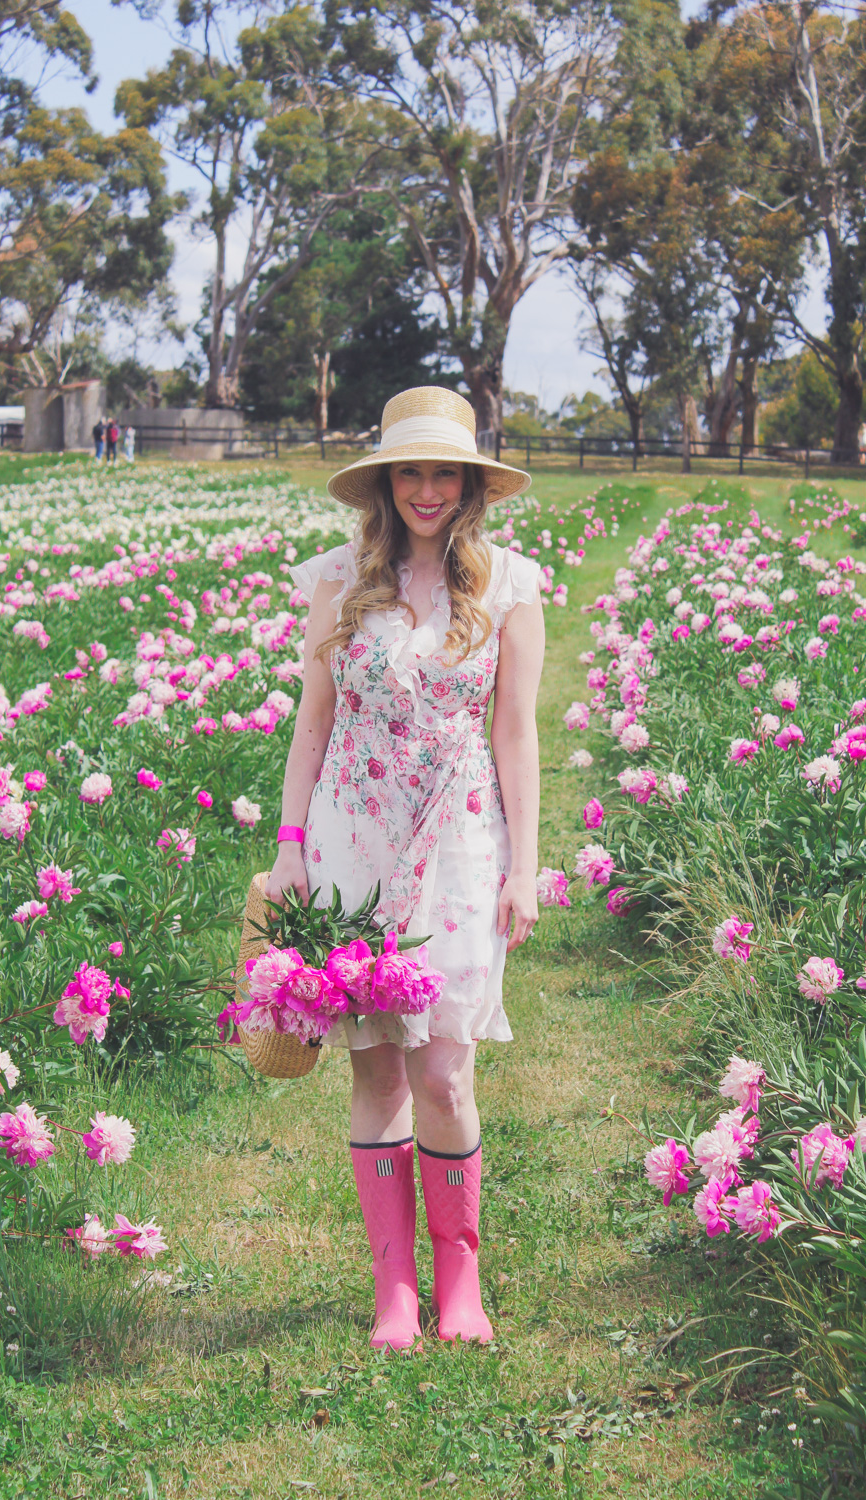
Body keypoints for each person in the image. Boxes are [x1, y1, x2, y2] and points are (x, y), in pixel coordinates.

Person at [268, 386, 544, 1350]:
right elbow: (312, 727)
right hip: (353, 839)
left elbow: (516, 735)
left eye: (444, 471)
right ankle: (395, 1291)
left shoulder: (509, 585)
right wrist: (290, 849)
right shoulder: (339, 578)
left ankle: (459, 1279)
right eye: (410, 471)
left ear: (471, 481)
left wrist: (528, 867)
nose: (427, 489)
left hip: (464, 845)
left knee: (446, 1072)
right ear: (384, 481)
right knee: (378, 1070)